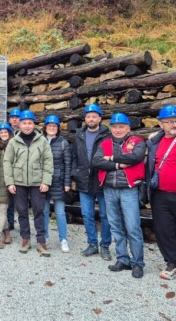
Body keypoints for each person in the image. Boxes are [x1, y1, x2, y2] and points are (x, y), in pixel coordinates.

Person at [93, 113, 146, 279]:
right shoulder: (105, 143)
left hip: (128, 189)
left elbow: (135, 157)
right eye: (115, 127)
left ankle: (137, 263)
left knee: (133, 227)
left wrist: (110, 158)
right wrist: (118, 164)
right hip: (109, 189)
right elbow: (96, 161)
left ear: (128, 128)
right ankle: (123, 259)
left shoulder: (137, 142)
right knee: (116, 226)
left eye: (121, 126)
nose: (117, 129)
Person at [146, 105, 176, 280]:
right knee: (163, 231)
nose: (174, 124)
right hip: (160, 195)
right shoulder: (154, 143)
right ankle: (173, 264)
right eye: (170, 121)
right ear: (160, 124)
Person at [4, 110, 53, 256]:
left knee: (39, 211)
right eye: (24, 123)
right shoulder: (13, 141)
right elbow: (7, 162)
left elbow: (48, 161)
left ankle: (41, 241)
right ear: (19, 124)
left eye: (29, 123)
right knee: (22, 211)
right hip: (18, 182)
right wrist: (9, 182)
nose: (26, 126)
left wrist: (46, 181)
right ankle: (25, 239)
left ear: (34, 124)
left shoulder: (42, 140)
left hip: (37, 182)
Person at [72, 104, 112, 260]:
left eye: (94, 116)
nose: (91, 119)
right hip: (83, 180)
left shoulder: (107, 135)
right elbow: (74, 156)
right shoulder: (79, 135)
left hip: (101, 180)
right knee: (87, 214)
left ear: (100, 118)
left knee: (105, 215)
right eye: (88, 116)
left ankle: (105, 246)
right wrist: (75, 173)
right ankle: (92, 244)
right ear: (85, 119)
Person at [42, 115, 72, 253]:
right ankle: (45, 237)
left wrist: (67, 183)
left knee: (60, 212)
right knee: (44, 211)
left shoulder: (63, 143)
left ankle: (63, 239)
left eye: (54, 126)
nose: (52, 128)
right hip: (42, 181)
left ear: (58, 128)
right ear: (45, 127)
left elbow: (68, 164)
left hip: (58, 181)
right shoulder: (40, 141)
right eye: (50, 126)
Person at [6, 107, 21, 230]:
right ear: (9, 119)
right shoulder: (5, 131)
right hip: (10, 167)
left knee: (21, 199)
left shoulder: (25, 131)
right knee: (9, 198)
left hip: (21, 169)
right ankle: (10, 221)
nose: (15, 119)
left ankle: (22, 222)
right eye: (13, 117)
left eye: (17, 117)